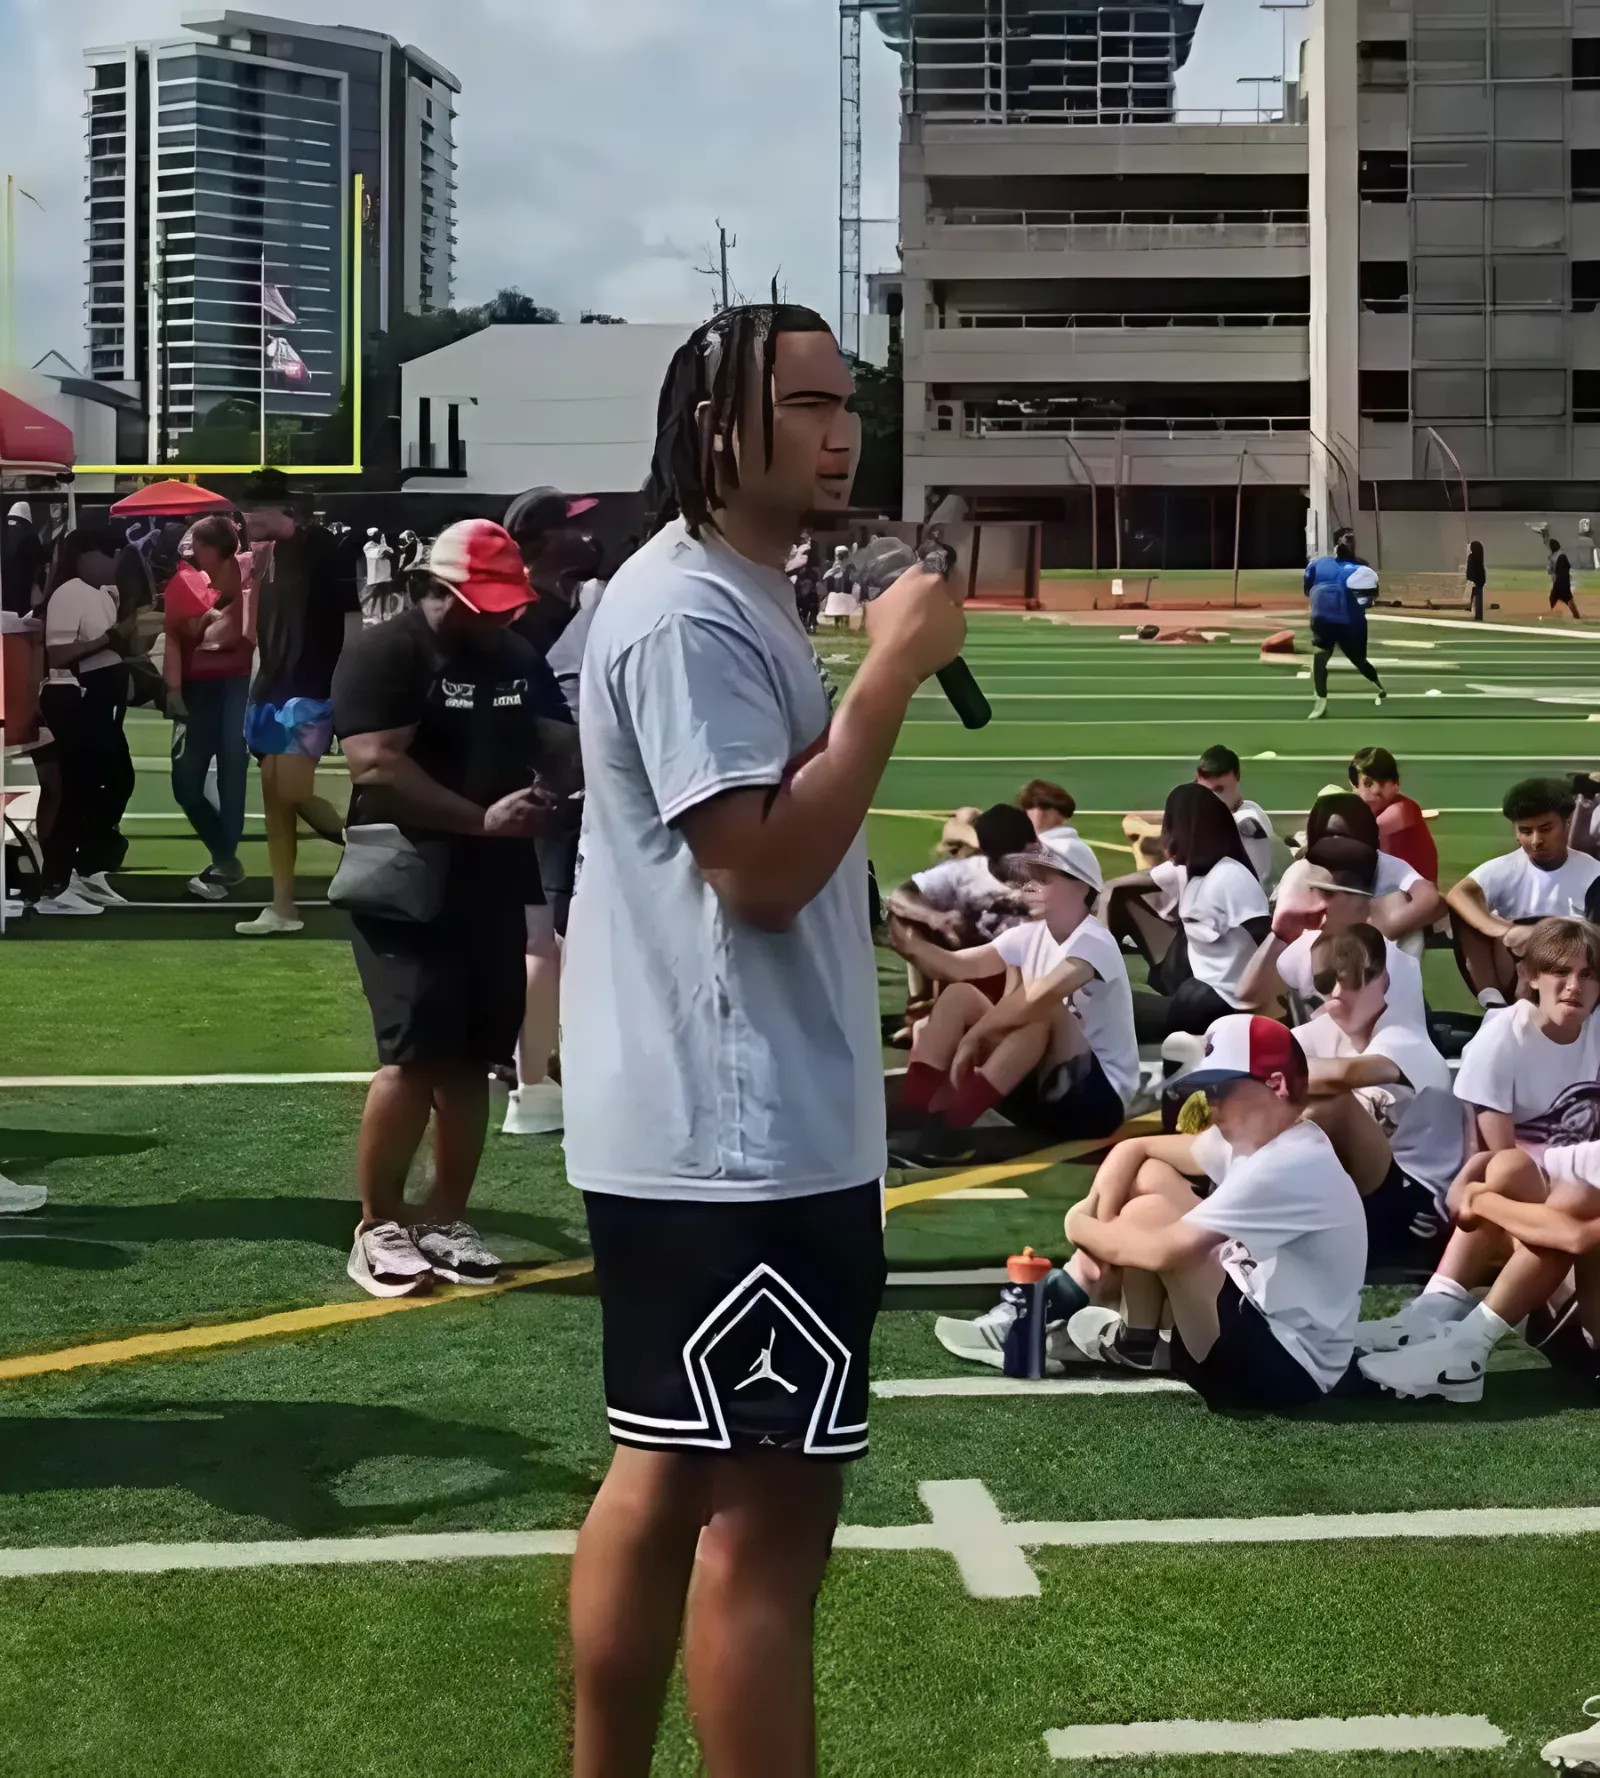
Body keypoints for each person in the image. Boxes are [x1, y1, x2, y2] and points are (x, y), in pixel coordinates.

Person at [559, 302, 966, 1778]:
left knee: (665, 1478)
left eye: (845, 399)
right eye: (801, 401)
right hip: (740, 1136)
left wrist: (905, 936)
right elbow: (757, 864)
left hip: (714, 1119)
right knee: (766, 1529)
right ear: (713, 427)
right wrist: (888, 677)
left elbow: (776, 859)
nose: (838, 426)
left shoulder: (732, 589)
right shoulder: (686, 609)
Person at [333, 522, 576, 1298]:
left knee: (475, 1057)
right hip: (406, 875)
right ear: (438, 589)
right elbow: (376, 762)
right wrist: (479, 819)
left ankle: (445, 1217)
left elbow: (558, 745)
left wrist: (563, 783)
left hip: (494, 876)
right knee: (413, 1054)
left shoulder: (513, 654)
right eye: (485, 603)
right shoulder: (388, 649)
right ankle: (378, 1225)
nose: (501, 617)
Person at [1060, 1015, 1366, 1410]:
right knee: (1150, 1190)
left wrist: (1078, 1224)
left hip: (1285, 1373)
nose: (1211, 1104)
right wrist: (1098, 1240)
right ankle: (1138, 1340)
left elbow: (1161, 1252)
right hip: (1264, 1338)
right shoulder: (1269, 1137)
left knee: (1154, 1224)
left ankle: (1131, 1334)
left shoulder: (1288, 1162)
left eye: (1223, 1089)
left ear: (1275, 1085)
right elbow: (1135, 1151)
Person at [1356, 918, 1600, 1384]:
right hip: (1540, 1212)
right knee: (1518, 1172)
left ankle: (1457, 1339)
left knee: (1566, 1207)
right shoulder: (1503, 1037)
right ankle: (1443, 1327)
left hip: (1567, 1240)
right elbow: (1496, 1161)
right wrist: (1477, 1191)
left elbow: (1573, 1236)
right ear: (1531, 976)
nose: (1575, 987)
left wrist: (1477, 1198)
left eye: (1588, 975)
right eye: (1561, 973)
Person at [891, 838, 1136, 1154]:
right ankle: (914, 1116)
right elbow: (955, 967)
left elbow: (1036, 1000)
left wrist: (973, 1039)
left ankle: (950, 1127)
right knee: (959, 995)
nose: (1028, 886)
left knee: (1043, 1013)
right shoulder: (1029, 934)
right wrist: (911, 944)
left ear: (1080, 888)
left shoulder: (1094, 940)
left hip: (1095, 1104)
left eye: (1043, 879)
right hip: (1039, 1093)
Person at [500, 486, 604, 1136]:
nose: (585, 537)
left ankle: (529, 1062)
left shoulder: (558, 603)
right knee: (546, 937)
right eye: (570, 527)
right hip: (543, 794)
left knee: (546, 937)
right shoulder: (530, 617)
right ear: (540, 542)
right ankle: (533, 1078)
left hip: (555, 792)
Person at [1294, 925, 1464, 1273]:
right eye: (1326, 982)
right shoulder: (1329, 1031)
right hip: (1365, 1192)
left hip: (1416, 1203)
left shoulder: (1404, 1036)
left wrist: (1264, 1073)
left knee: (1327, 1107)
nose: (1338, 992)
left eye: (1353, 978)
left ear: (1382, 979)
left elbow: (1345, 1078)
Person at [237, 469, 358, 936]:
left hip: (309, 686)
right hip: (270, 687)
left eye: (253, 509)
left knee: (289, 790)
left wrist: (346, 685)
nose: (245, 516)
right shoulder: (266, 557)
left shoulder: (325, 549)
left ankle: (361, 841)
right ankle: (282, 906)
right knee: (275, 798)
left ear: (282, 510)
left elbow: (351, 621)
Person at [1109, 782, 1272, 1040]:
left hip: (1217, 1005)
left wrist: (1255, 1004)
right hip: (1197, 995)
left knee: (1107, 1012)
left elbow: (1270, 939)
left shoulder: (1229, 877)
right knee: (1104, 1006)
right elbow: (1127, 886)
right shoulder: (1193, 871)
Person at [35, 529, 136, 916]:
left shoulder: (101, 592)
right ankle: (58, 883)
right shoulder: (71, 591)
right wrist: (112, 638)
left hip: (100, 700)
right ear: (86, 556)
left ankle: (87, 867)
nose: (114, 563)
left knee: (115, 780)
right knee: (77, 788)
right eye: (109, 554)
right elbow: (59, 654)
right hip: (75, 700)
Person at [1239, 841, 1429, 1031]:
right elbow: (1248, 998)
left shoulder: (1390, 961)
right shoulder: (1307, 946)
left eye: (1326, 893)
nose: (1315, 905)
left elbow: (1356, 1033)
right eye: (1310, 891)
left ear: (1360, 900)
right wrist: (1280, 933)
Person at [1446, 776, 1600, 1007]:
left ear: (1567, 822)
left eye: (1546, 829)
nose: (1536, 841)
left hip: (1572, 980)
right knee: (1465, 912)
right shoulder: (1506, 867)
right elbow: (1458, 894)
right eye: (1525, 831)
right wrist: (1505, 930)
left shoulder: (1592, 873)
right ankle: (1493, 1004)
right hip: (1515, 972)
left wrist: (1537, 934)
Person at [164, 516, 255, 902]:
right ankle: (224, 857)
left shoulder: (248, 573)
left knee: (232, 774)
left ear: (213, 547)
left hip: (235, 686)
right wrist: (172, 689)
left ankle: (224, 863)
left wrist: (209, 625)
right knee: (186, 783)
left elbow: (233, 636)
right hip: (199, 690)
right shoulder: (184, 583)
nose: (189, 549)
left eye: (196, 543)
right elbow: (175, 637)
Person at [1301, 792, 1443, 953]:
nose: (1337, 846)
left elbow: (1431, 898)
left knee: (1399, 901)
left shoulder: (1384, 864)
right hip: (1323, 955)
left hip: (1376, 958)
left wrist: (1382, 929)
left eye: (1343, 838)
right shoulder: (1304, 870)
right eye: (1329, 838)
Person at [1303, 541, 1386, 719]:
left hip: (1323, 618)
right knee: (1359, 660)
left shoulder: (1318, 564)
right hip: (1349, 623)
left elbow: (1307, 590)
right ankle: (1378, 685)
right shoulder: (1361, 569)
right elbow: (1370, 599)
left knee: (1320, 660)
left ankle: (1320, 700)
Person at [1194, 744, 1282, 888]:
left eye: (1219, 790)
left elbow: (1258, 879)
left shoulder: (1248, 821)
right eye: (1205, 791)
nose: (1212, 798)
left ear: (1237, 777)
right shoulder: (1196, 814)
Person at [1347, 746, 1438, 884]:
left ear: (1396, 784)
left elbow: (1370, 831)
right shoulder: (1367, 811)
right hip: (1389, 890)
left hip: (1416, 895)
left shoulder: (1404, 809)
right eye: (1368, 783)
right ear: (1355, 787)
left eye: (1383, 783)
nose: (1376, 789)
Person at [2, 501, 47, 616]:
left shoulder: (29, 545)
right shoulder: (11, 549)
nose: (11, 528)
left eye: (15, 523)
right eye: (9, 523)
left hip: (26, 602)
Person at [820, 542, 858, 629]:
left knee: (846, 606)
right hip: (838, 591)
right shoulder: (837, 566)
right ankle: (839, 623)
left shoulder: (849, 566)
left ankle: (844, 622)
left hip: (846, 591)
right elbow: (826, 576)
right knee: (840, 607)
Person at [1547, 536, 1582, 620]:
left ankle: (1553, 615)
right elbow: (1566, 569)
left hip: (1559, 582)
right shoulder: (1561, 555)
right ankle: (1576, 616)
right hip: (1563, 582)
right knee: (1569, 600)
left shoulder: (1552, 557)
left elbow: (1551, 570)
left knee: (1554, 599)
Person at [1464, 539, 1486, 623]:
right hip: (1481, 578)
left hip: (1475, 578)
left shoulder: (1472, 557)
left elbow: (1470, 569)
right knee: (1478, 596)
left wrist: (1470, 577)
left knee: (1477, 597)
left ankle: (1477, 614)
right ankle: (1478, 614)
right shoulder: (1479, 556)